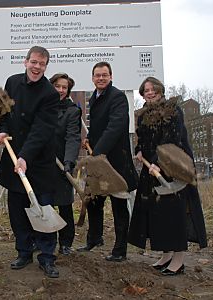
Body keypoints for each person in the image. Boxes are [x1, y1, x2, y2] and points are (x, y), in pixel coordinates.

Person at [128, 77, 207, 275]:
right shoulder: (143, 114)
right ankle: (166, 255)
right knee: (158, 215)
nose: (150, 92)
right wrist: (139, 150)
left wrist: (157, 160)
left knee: (175, 214)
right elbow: (143, 138)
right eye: (146, 90)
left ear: (160, 90)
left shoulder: (173, 110)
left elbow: (173, 138)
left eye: (153, 88)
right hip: (152, 171)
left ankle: (178, 260)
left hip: (174, 169)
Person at [0, 46, 60, 278]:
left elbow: (41, 130)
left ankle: (47, 256)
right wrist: (2, 131)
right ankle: (23, 251)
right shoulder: (12, 83)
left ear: (46, 66)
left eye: (41, 64)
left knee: (43, 209)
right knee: (18, 210)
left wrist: (25, 157)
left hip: (39, 162)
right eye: (33, 62)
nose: (36, 67)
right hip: (14, 159)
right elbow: (4, 112)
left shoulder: (50, 94)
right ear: (25, 62)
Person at [77, 62, 138, 262]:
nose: (101, 78)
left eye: (104, 75)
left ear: (111, 76)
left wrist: (98, 151)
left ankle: (120, 250)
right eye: (97, 75)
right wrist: (90, 141)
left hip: (116, 163)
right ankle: (94, 239)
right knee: (94, 202)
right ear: (92, 78)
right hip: (98, 162)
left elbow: (115, 127)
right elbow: (98, 127)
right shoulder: (94, 98)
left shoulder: (118, 97)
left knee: (119, 206)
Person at [49, 73, 81, 255]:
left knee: (64, 204)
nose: (61, 90)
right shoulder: (44, 107)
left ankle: (66, 242)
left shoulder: (72, 111)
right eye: (57, 86)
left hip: (62, 164)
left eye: (64, 87)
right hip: (44, 164)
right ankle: (46, 240)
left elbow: (73, 137)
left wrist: (69, 161)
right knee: (45, 204)